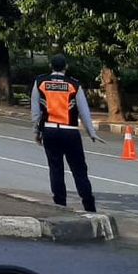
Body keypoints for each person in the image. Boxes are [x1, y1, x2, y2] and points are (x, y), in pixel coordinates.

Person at [31, 54, 103, 212]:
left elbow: (36, 113)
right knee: (79, 170)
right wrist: (91, 132)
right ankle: (89, 206)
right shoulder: (74, 85)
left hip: (49, 131)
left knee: (55, 169)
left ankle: (60, 205)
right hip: (70, 132)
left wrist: (37, 132)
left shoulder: (40, 82)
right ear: (66, 67)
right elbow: (84, 111)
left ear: (50, 66)